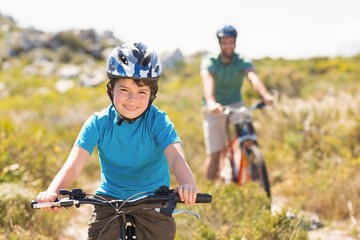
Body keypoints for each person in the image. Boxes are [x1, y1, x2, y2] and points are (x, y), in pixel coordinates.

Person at [35, 42, 199, 240]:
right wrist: (52, 192)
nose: (132, 100)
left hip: (153, 197)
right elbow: (74, 165)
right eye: (124, 90)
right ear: (111, 89)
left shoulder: (158, 121)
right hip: (110, 198)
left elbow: (176, 158)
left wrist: (188, 184)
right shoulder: (98, 123)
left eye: (142, 92)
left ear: (152, 95)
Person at [200, 25, 274, 180]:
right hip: (214, 107)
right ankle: (207, 190)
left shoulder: (242, 61)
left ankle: (253, 174)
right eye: (224, 42)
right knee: (215, 152)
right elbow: (208, 81)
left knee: (248, 138)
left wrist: (265, 95)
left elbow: (253, 77)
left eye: (231, 42)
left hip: (236, 104)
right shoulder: (210, 61)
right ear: (220, 44)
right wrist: (212, 102)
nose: (228, 46)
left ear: (235, 43)